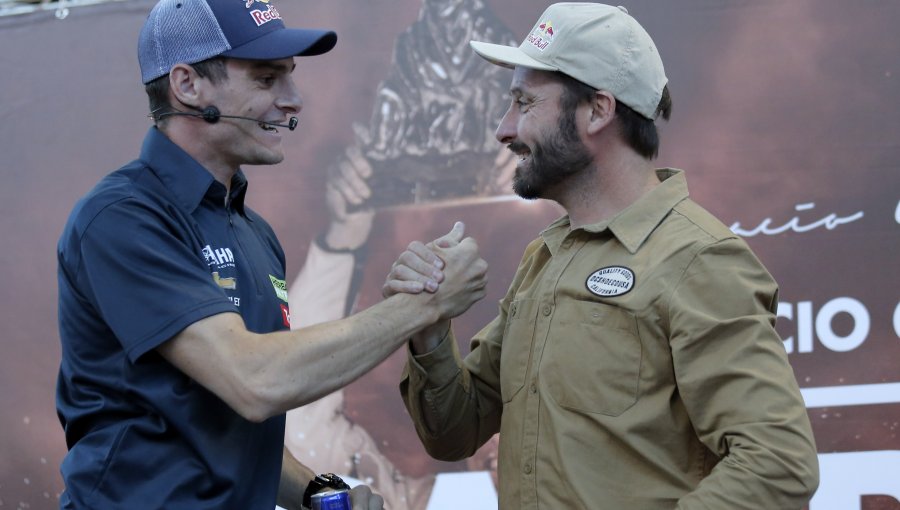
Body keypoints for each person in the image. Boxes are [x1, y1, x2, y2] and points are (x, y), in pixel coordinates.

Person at [384, 3, 820, 509]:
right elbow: (453, 434)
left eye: (524, 104)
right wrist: (431, 329)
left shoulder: (699, 258)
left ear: (597, 110)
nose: (505, 130)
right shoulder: (544, 257)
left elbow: (778, 465)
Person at [54, 1, 487, 509]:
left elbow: (227, 424)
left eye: (289, 77)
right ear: (187, 85)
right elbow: (256, 381)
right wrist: (426, 304)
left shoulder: (253, 231)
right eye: (266, 80)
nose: (293, 100)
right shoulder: (122, 217)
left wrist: (314, 492)